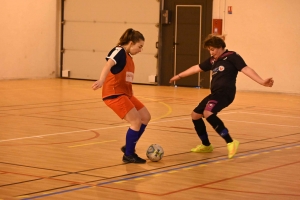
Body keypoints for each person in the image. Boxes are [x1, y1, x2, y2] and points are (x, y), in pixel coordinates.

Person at [169, 34, 274, 159]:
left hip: (225, 93)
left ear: (220, 47)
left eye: (212, 49)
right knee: (195, 115)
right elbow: (197, 68)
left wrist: (261, 81)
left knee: (208, 113)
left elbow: (246, 69)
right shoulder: (213, 60)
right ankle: (206, 145)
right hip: (215, 94)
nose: (211, 52)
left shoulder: (232, 57)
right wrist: (179, 76)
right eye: (209, 50)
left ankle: (231, 142)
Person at [92, 28, 151, 163]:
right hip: (114, 94)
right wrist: (101, 80)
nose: (140, 50)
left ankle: (128, 146)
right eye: (139, 46)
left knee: (145, 117)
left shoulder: (129, 57)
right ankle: (129, 155)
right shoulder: (119, 51)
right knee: (135, 121)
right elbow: (108, 64)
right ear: (131, 43)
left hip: (126, 94)